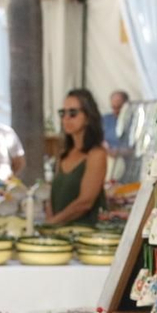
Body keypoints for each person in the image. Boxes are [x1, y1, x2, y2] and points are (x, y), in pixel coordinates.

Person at [45, 87, 108, 226]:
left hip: (84, 236)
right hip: (59, 234)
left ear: (88, 117)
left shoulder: (96, 154)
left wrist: (52, 223)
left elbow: (85, 202)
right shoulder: (63, 154)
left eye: (73, 113)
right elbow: (52, 197)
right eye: (63, 113)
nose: (66, 118)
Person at [103, 88, 129, 153]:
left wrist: (119, 152)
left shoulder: (135, 121)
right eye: (114, 107)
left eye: (119, 107)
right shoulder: (105, 120)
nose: (116, 111)